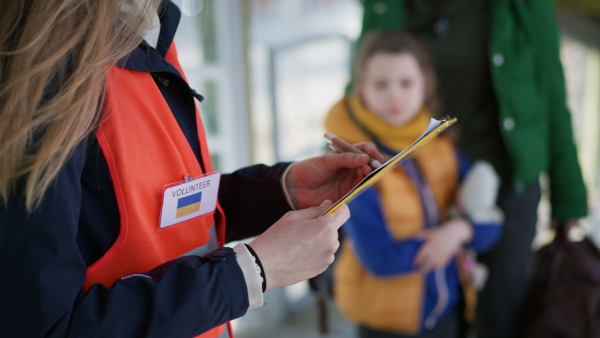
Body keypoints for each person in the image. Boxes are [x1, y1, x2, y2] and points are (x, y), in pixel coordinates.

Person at [0, 1, 383, 337]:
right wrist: (250, 272)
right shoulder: (43, 78)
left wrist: (279, 191)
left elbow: (162, 213)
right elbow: (45, 326)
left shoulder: (148, 28)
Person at [357, 1, 588, 338]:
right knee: (433, 311)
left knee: (500, 314)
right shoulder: (384, 6)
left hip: (504, 182)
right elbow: (360, 87)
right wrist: (335, 181)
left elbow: (552, 88)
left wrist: (568, 195)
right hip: (419, 183)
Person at [325, 30, 503, 338]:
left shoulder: (442, 146)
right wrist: (445, 242)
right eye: (381, 84)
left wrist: (459, 231)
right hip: (383, 321)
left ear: (425, 86)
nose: (394, 94)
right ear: (361, 89)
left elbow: (490, 224)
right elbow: (379, 258)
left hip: (446, 310)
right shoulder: (353, 164)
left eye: (406, 83)